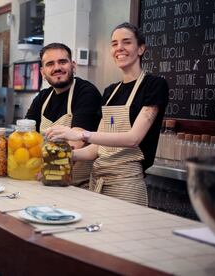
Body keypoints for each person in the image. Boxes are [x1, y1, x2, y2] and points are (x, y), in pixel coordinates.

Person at [45, 23, 169, 206]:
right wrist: (60, 155)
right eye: (114, 43)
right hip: (98, 183)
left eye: (126, 42)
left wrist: (80, 134)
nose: (119, 48)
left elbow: (133, 139)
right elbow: (97, 149)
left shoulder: (154, 85)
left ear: (141, 48)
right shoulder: (110, 92)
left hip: (127, 184)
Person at [0, 43, 102, 186]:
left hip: (74, 185)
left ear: (73, 65)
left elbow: (77, 140)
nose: (57, 68)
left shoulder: (86, 92)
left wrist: (49, 168)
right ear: (43, 73)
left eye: (62, 62)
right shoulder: (43, 97)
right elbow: (22, 136)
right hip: (43, 179)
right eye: (50, 64)